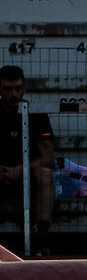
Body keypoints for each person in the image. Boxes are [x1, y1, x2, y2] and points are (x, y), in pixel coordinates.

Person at [0, 65, 54, 245]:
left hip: (27, 177)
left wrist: (21, 170)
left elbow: (48, 157)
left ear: (24, 89)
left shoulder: (36, 115)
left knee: (45, 174)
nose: (13, 94)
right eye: (8, 89)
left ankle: (42, 239)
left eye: (17, 88)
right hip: (2, 175)